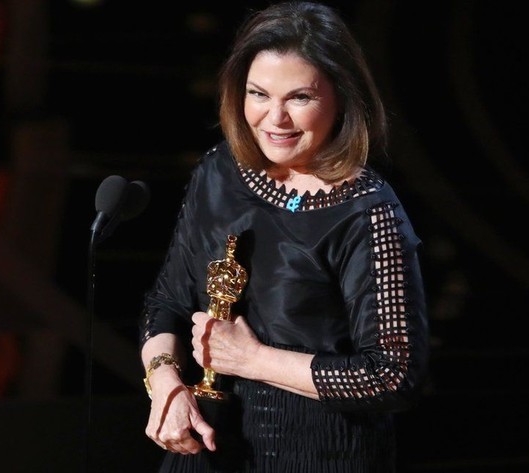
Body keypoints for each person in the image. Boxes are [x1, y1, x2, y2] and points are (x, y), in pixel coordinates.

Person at [138, 2, 429, 472]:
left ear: (341, 98)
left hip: (321, 455)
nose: (275, 118)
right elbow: (166, 302)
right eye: (258, 94)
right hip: (206, 449)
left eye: (299, 98)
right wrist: (165, 385)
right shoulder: (218, 171)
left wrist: (252, 360)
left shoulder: (369, 211)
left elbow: (392, 377)